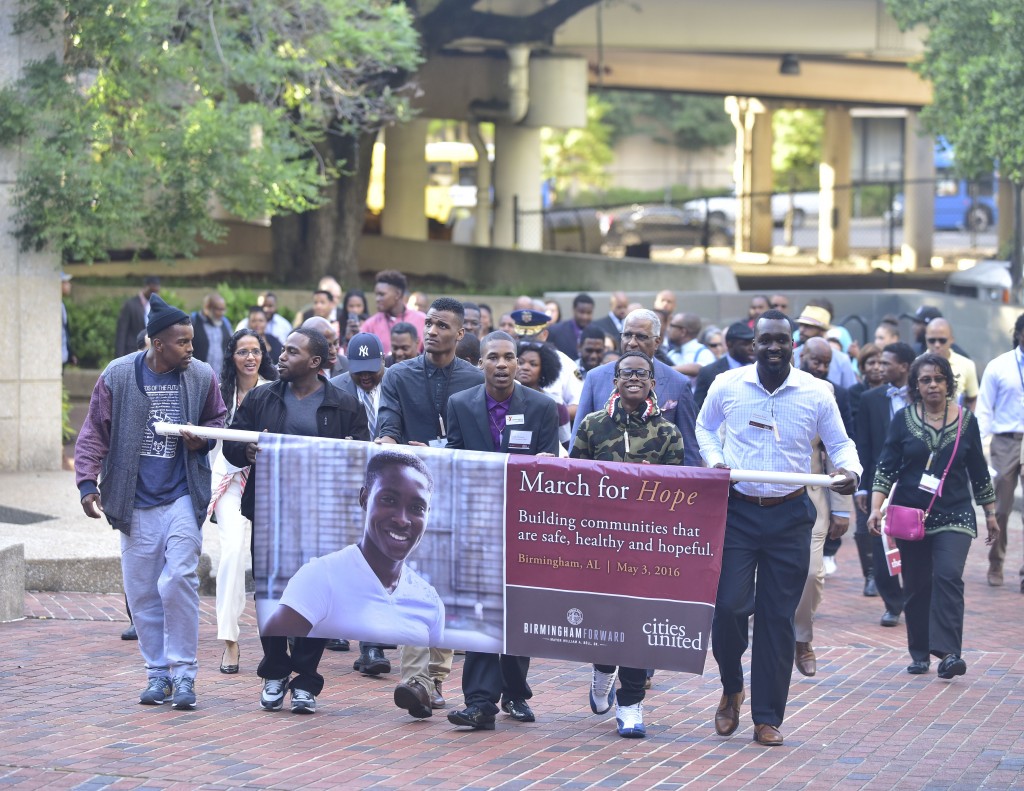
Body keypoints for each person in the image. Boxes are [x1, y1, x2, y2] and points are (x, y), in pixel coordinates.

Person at [696, 309, 860, 747]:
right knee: (729, 608)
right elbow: (704, 429)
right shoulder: (727, 386)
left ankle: (767, 716)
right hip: (738, 510)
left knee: (776, 619)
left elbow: (840, 444)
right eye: (765, 340)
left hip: (790, 515)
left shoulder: (816, 392)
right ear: (754, 345)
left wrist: (850, 471)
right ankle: (732, 686)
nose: (773, 347)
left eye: (781, 341)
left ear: (794, 346)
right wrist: (715, 464)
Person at [75, 294, 227, 709]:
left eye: (192, 341)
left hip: (182, 495)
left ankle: (184, 676)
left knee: (178, 578)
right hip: (134, 500)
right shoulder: (119, 375)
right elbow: (94, 432)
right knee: (142, 592)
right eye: (183, 342)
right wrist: (87, 483)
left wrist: (204, 438)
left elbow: (218, 418)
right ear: (156, 343)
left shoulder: (200, 375)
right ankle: (157, 675)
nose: (190, 349)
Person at [223, 327, 369, 715]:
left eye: (291, 351)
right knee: (271, 593)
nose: (281, 357)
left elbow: (363, 459)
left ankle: (305, 680)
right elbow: (231, 443)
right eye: (283, 350)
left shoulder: (344, 405)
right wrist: (247, 448)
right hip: (272, 512)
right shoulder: (261, 396)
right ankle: (274, 673)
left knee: (318, 595)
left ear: (315, 362)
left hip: (323, 517)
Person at [445, 331, 560, 731]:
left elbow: (551, 469)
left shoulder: (544, 408)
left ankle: (515, 692)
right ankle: (479, 702)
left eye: (509, 357)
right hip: (477, 522)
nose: (501, 364)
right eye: (493, 357)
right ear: (481, 364)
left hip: (524, 526)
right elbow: (454, 459)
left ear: (518, 363)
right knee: (479, 608)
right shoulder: (460, 404)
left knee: (517, 609)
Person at [376, 297, 484, 718]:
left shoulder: (475, 379)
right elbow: (387, 424)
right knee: (414, 584)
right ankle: (416, 679)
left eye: (444, 325)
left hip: (458, 498)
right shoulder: (399, 375)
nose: (433, 330)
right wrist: (388, 442)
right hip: (410, 499)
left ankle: (436, 678)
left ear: (461, 334)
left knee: (447, 588)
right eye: (430, 322)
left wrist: (441, 450)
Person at [572, 350, 684, 738]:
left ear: (653, 382)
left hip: (646, 546)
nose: (633, 378)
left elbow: (679, 494)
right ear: (614, 381)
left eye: (642, 373)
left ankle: (632, 703)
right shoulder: (592, 425)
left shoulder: (668, 433)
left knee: (638, 621)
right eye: (625, 373)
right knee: (604, 618)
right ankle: (603, 671)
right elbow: (574, 482)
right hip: (600, 543)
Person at [867, 353, 997, 679]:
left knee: (949, 575)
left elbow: (979, 471)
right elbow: (886, 466)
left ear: (949, 383)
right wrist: (875, 507)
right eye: (926, 380)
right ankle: (920, 652)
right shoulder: (903, 419)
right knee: (917, 583)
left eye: (939, 378)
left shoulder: (967, 421)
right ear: (916, 385)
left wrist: (991, 513)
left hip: (956, 513)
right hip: (913, 515)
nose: (933, 385)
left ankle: (950, 654)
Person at [263, 451, 443, 643]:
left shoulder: (429, 600)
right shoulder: (321, 577)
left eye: (417, 508)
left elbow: (430, 671)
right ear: (364, 498)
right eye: (389, 500)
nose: (401, 519)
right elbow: (276, 659)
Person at [209, 329, 277, 675]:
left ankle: (283, 640)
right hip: (229, 481)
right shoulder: (219, 392)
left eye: (256, 351)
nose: (250, 358)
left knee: (268, 560)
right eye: (242, 352)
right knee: (233, 553)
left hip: (266, 483)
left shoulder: (273, 390)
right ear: (231, 356)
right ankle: (230, 642)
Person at [330, 332, 392, 671]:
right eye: (359, 370)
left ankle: (372, 648)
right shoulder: (336, 389)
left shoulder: (396, 383)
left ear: (384, 361)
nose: (366, 376)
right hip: (347, 486)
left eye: (372, 368)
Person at [793, 337, 854, 678]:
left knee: (813, 572)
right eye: (814, 360)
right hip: (762, 493)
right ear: (799, 354)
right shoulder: (750, 385)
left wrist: (841, 507)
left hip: (813, 494)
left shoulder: (825, 392)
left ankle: (802, 639)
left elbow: (837, 448)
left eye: (824, 363)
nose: (819, 367)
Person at [573, 309, 700, 468]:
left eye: (641, 336)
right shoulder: (595, 378)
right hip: (603, 485)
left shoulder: (678, 383)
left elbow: (689, 448)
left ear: (657, 342)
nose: (632, 342)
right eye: (627, 335)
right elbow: (577, 444)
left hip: (655, 488)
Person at [855, 342, 916, 627]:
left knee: (914, 544)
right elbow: (864, 446)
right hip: (881, 481)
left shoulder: (923, 396)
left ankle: (915, 598)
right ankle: (892, 603)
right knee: (880, 547)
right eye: (877, 363)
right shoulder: (870, 399)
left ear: (904, 366)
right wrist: (864, 487)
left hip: (916, 483)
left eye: (886, 363)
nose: (879, 367)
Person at [975, 313, 1024, 590]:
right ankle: (996, 562)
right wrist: (979, 445)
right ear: (1018, 334)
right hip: (1006, 440)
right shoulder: (1000, 366)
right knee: (1002, 508)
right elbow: (984, 408)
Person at [516, 341, 572, 446]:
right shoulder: (503, 398)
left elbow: (566, 443)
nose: (525, 367)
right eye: (521, 362)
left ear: (544, 369)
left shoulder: (555, 403)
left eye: (533, 364)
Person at [792, 301, 858, 389]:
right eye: (801, 325)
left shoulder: (841, 360)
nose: (802, 330)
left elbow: (850, 391)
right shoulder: (793, 355)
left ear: (822, 331)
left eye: (808, 326)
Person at [361, 270, 426, 355]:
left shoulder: (422, 319)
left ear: (398, 294)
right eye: (376, 295)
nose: (377, 299)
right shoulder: (370, 325)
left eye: (381, 294)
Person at [693, 322, 756, 410]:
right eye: (745, 344)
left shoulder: (761, 369)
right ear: (729, 344)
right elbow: (697, 409)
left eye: (753, 343)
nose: (751, 348)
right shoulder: (708, 372)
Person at [925, 318, 978, 411]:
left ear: (951, 340)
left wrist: (968, 421)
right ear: (926, 339)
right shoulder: (916, 365)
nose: (937, 345)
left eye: (942, 340)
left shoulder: (966, 364)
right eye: (932, 340)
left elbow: (973, 399)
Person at [114, 276, 160, 358]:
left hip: (150, 353)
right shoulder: (130, 305)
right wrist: (119, 357)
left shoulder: (156, 306)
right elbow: (121, 333)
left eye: (156, 292)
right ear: (145, 287)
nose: (153, 294)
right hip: (131, 352)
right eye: (151, 291)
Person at [664, 313, 715, 381]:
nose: (668, 329)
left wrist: (666, 370)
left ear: (683, 332)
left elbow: (702, 369)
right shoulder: (672, 353)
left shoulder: (703, 353)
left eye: (672, 326)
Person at [547, 293, 595, 360]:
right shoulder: (555, 331)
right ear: (574, 310)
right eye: (581, 312)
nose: (585, 317)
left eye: (588, 313)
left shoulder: (596, 333)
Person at [848, 342, 885, 425]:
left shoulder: (892, 390)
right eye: (871, 363)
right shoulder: (855, 392)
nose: (876, 367)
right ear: (862, 367)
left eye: (881, 363)